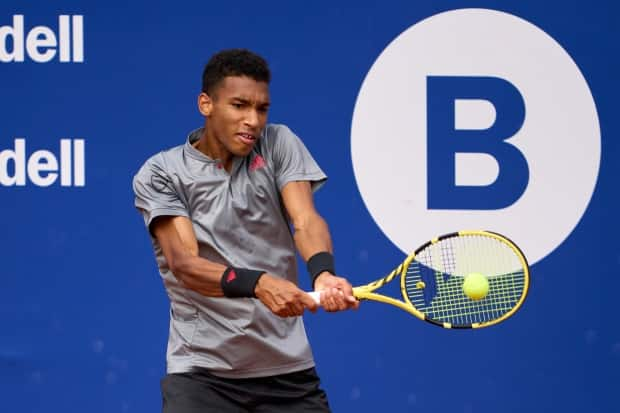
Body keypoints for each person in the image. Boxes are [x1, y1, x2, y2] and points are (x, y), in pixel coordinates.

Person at [132, 48, 359, 413]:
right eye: (239, 105)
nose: (252, 120)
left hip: (289, 375)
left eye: (261, 108)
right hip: (202, 376)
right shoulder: (162, 172)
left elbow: (305, 220)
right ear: (206, 104)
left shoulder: (279, 143)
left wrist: (323, 274)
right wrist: (260, 283)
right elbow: (185, 264)